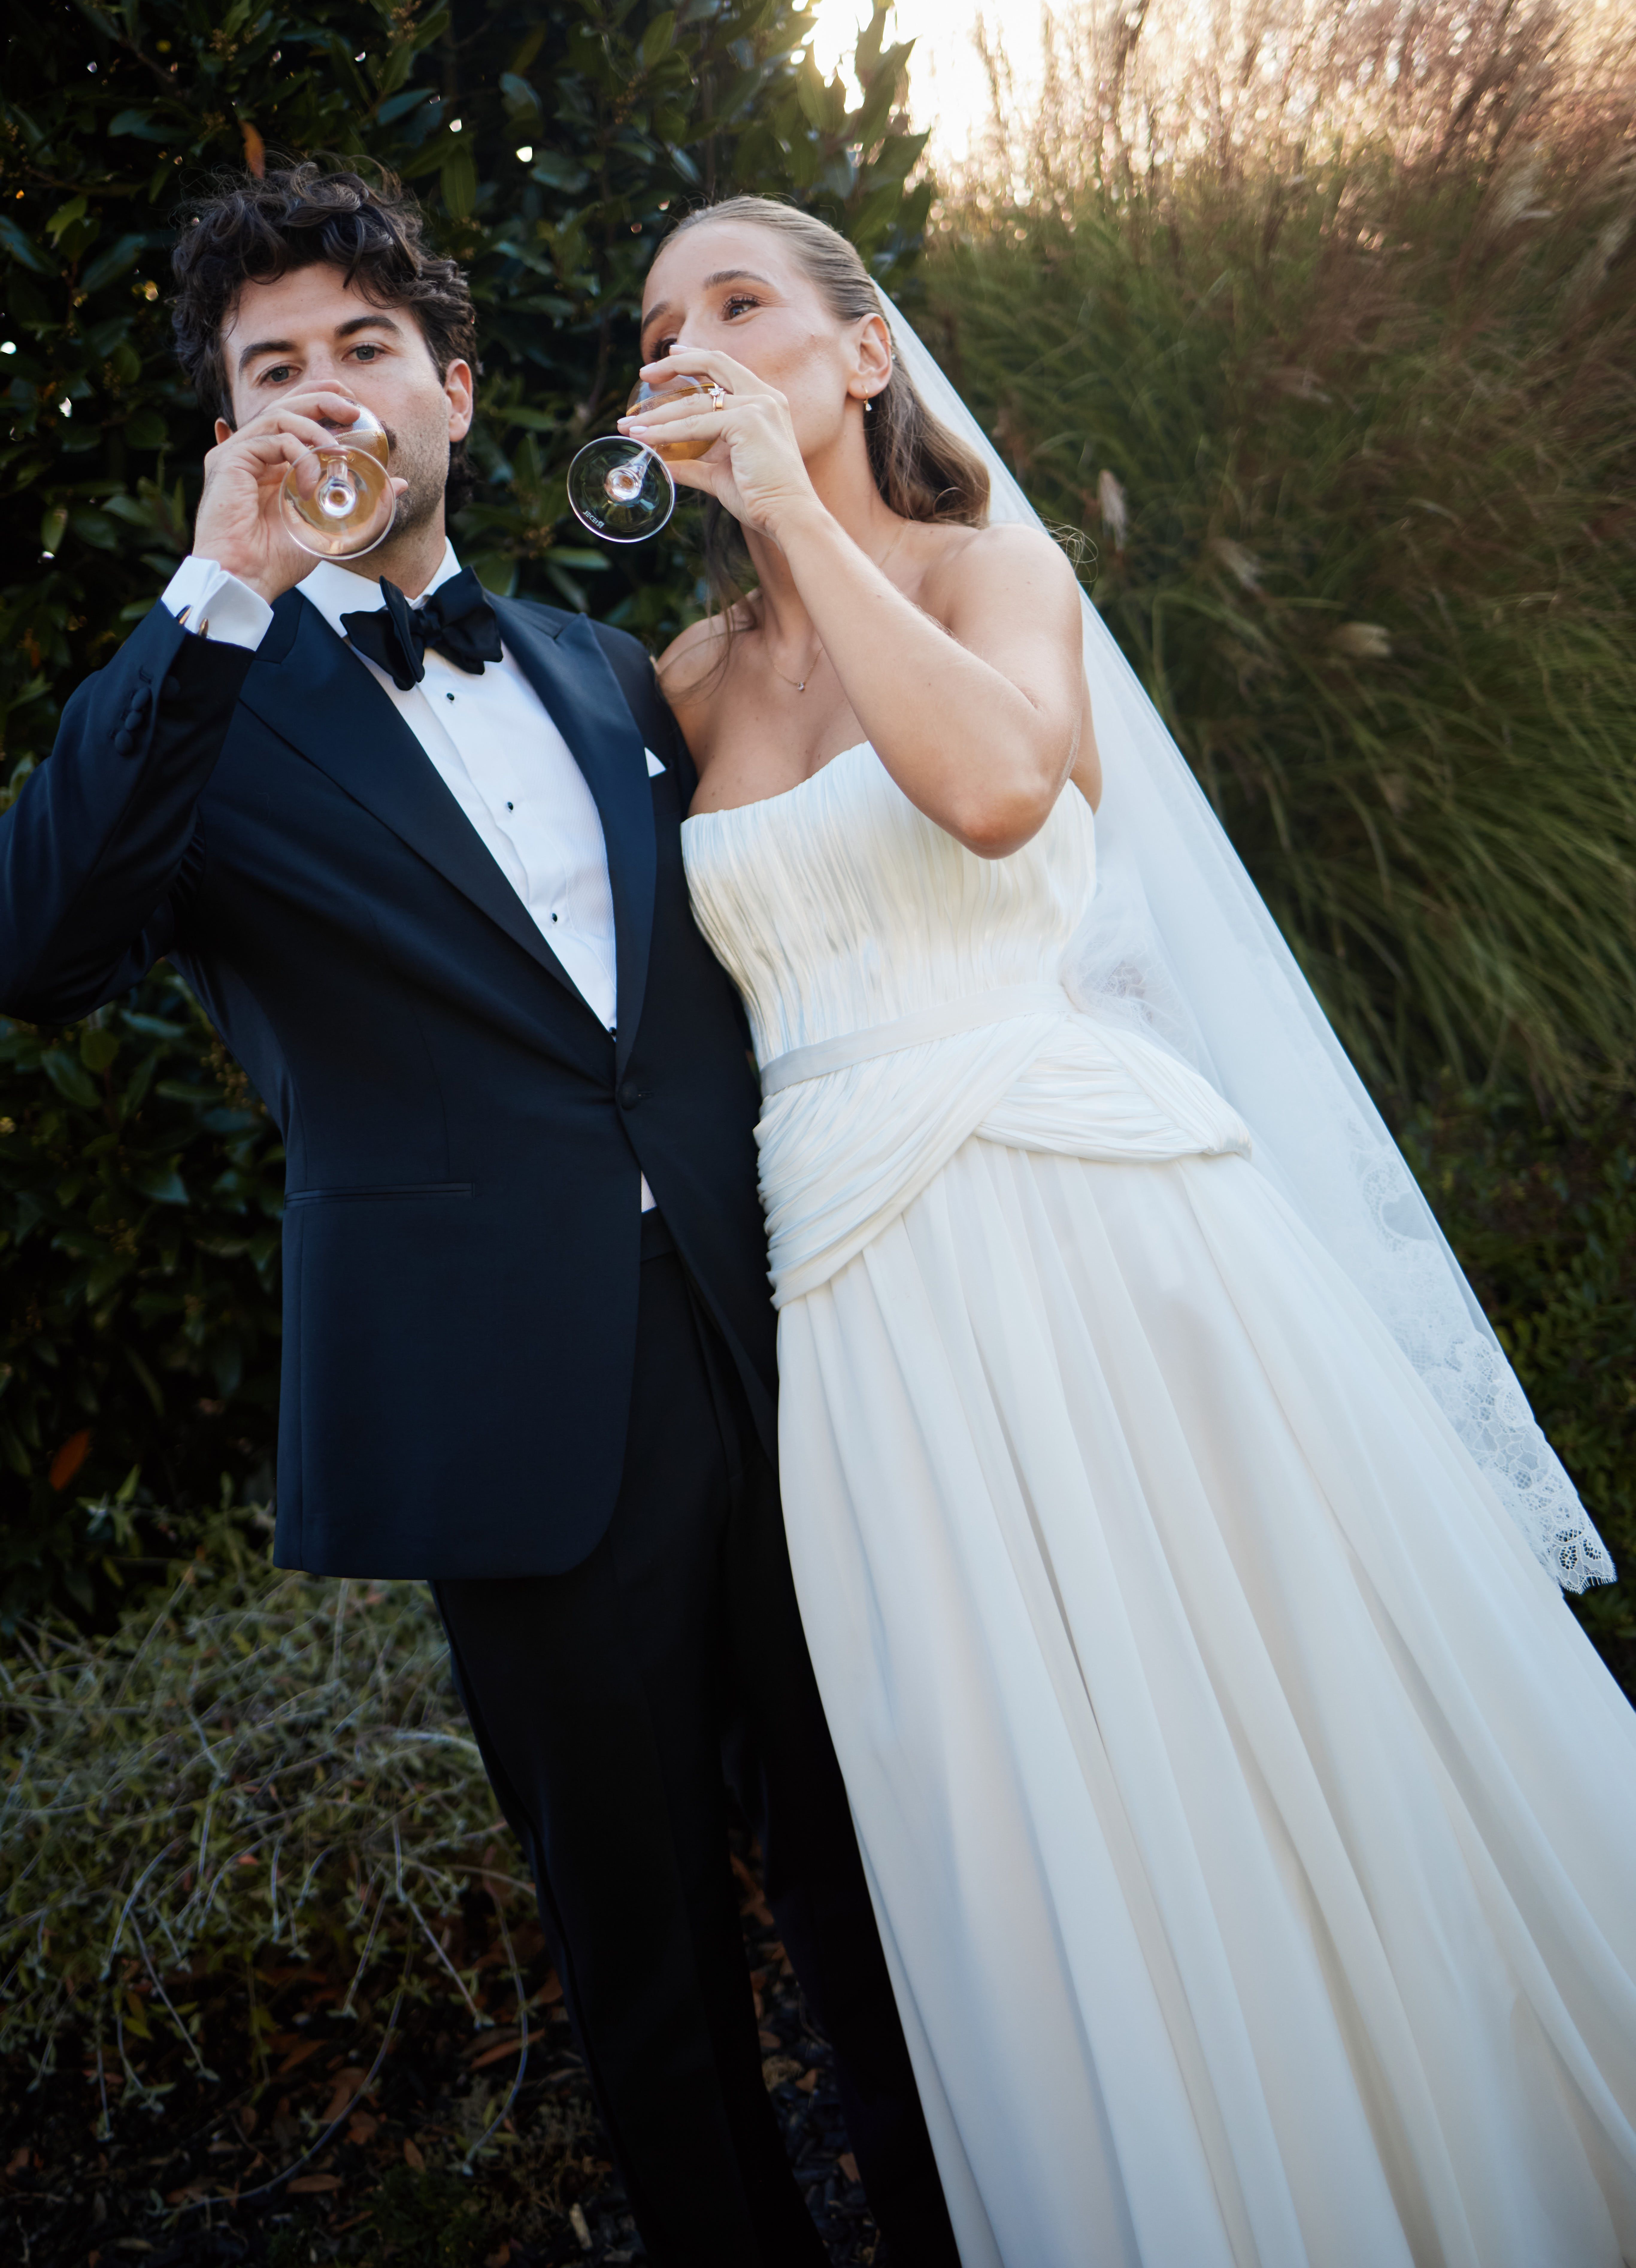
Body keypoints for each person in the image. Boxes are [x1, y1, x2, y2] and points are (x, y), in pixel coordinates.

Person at [637, 193, 1636, 2268]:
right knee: (1024, 1810)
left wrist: (796, 519)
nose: (691, 345)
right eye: (656, 329)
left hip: (1098, 1234)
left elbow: (1001, 792)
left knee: (1267, 1721)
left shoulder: (993, 567)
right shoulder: (687, 680)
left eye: (739, 302)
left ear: (861, 355)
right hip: (868, 1309)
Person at [0, 166, 960, 2268]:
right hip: (508, 1413)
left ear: (453, 388)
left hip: (783, 1345)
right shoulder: (204, 710)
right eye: (273, 370)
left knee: (881, 1872)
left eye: (366, 348)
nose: (327, 394)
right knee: (646, 1948)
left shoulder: (610, 666)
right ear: (233, 431)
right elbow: (40, 944)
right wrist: (214, 588)